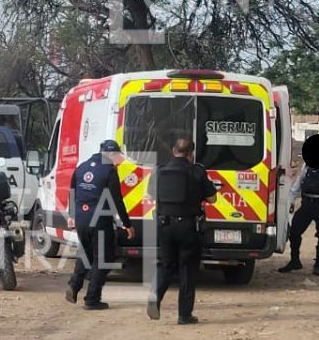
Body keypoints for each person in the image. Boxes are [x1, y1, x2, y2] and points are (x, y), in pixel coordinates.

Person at [147, 137, 217, 325]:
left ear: (173, 151)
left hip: (165, 225)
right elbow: (212, 199)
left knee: (165, 265)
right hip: (188, 227)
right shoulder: (197, 171)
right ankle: (184, 315)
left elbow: (150, 195)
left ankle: (155, 297)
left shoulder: (159, 171)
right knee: (187, 269)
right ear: (190, 153)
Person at [65, 140, 134, 310]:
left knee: (86, 252)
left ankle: (74, 285)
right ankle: (92, 299)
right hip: (100, 220)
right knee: (102, 259)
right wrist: (127, 224)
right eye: (117, 156)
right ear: (111, 154)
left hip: (81, 218)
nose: (118, 160)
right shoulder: (109, 170)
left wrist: (71, 216)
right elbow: (117, 199)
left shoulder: (82, 167)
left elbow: (72, 192)